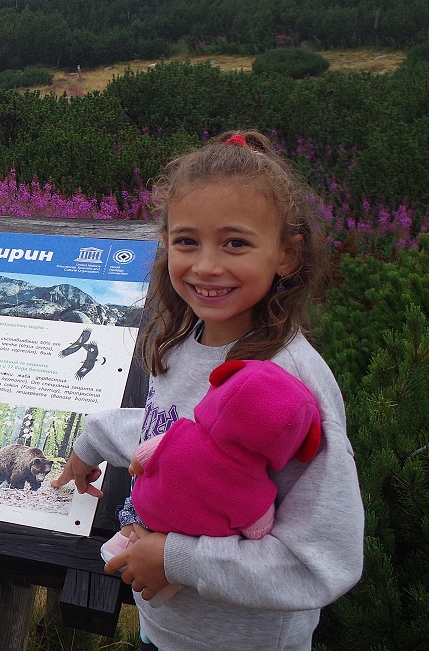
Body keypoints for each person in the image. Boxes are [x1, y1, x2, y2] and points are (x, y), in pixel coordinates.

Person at [50, 130, 364, 651]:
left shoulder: (289, 383)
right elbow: (173, 436)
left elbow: (322, 559)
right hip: (168, 628)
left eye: (235, 242)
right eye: (187, 240)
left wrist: (175, 558)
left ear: (287, 254)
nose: (206, 266)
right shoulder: (183, 339)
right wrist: (93, 443)